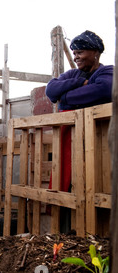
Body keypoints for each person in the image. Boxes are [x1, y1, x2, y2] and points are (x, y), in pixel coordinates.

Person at [44, 30, 113, 232]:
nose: (76, 57)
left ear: (95, 53)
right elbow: (50, 90)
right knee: (68, 181)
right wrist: (78, 83)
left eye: (80, 52)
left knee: (96, 184)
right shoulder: (75, 74)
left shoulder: (107, 71)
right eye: (73, 53)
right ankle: (68, 232)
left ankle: (95, 233)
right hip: (71, 138)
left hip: (99, 141)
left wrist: (65, 98)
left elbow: (102, 90)